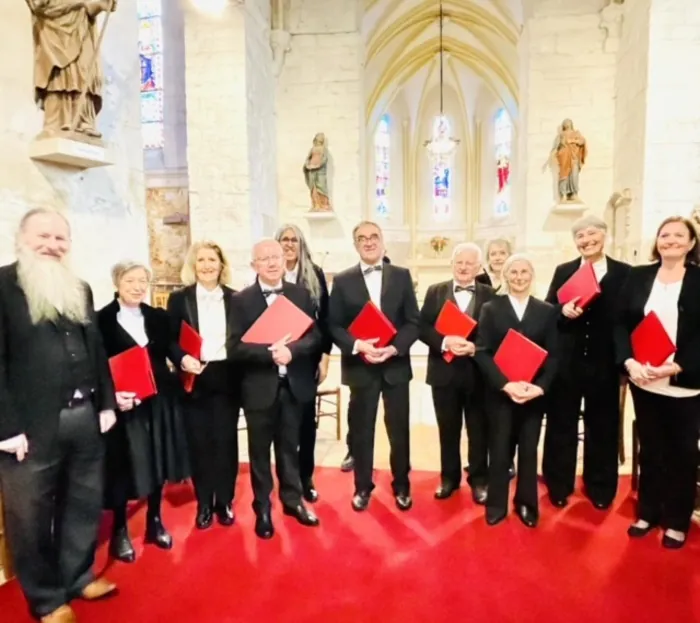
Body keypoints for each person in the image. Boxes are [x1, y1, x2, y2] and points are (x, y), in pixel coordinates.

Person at [0, 208, 117, 623]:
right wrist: (6, 428)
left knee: (84, 503)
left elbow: (96, 348)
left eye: (60, 238)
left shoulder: (79, 288)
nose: (52, 245)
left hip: (85, 415)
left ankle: (78, 575)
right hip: (29, 428)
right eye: (43, 236)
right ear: (21, 237)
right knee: (30, 517)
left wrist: (106, 401)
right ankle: (47, 599)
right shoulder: (2, 285)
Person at [615, 216, 700, 549]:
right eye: (665, 234)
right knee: (650, 448)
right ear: (657, 240)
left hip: (686, 382)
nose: (671, 240)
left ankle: (677, 520)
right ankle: (648, 512)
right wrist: (630, 362)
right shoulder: (639, 276)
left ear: (692, 243)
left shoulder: (698, 279)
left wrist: (676, 367)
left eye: (680, 235)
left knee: (681, 451)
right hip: (644, 379)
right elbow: (621, 324)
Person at [97, 261, 190, 563]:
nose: (137, 286)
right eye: (130, 280)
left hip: (160, 398)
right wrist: (111, 397)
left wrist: (185, 358)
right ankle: (120, 531)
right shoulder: (102, 320)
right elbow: (98, 366)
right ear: (117, 282)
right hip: (125, 404)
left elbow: (170, 348)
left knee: (157, 458)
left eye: (142, 281)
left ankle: (154, 521)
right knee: (124, 465)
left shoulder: (157, 317)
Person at [230, 239, 322, 538]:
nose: (271, 263)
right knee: (259, 453)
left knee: (289, 449)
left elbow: (315, 337)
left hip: (293, 386)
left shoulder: (300, 294)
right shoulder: (241, 300)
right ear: (254, 264)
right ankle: (263, 508)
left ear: (285, 260)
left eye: (276, 257)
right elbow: (235, 348)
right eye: (264, 258)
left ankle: (293, 501)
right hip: (259, 389)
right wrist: (269, 353)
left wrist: (292, 351)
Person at [328, 221, 420, 511]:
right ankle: (362, 487)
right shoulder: (342, 280)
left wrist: (394, 348)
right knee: (363, 431)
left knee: (399, 430)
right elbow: (333, 325)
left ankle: (402, 485)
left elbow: (413, 322)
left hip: (395, 367)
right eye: (361, 238)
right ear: (355, 245)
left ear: (383, 242)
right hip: (361, 367)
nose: (368, 242)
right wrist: (358, 345)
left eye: (373, 237)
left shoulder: (402, 276)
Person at [542, 215, 631, 510]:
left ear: (604, 236)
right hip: (567, 363)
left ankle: (601, 487)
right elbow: (547, 309)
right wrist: (561, 309)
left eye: (592, 234)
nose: (586, 240)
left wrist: (625, 363)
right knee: (560, 424)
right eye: (580, 235)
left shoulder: (625, 273)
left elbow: (630, 319)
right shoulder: (564, 270)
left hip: (605, 364)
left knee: (603, 427)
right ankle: (558, 484)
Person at [475, 254, 558, 528]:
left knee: (529, 450)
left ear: (531, 276)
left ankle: (526, 503)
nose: (519, 277)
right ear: (505, 276)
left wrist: (540, 387)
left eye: (524, 272)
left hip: (532, 394)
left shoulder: (546, 311)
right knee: (498, 450)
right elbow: (482, 351)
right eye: (514, 272)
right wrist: (504, 384)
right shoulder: (490, 308)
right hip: (501, 393)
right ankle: (496, 504)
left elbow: (554, 355)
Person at [167, 242, 241, 530]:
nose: (207, 265)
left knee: (225, 442)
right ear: (193, 265)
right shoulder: (179, 299)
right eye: (201, 260)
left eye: (213, 259)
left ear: (222, 265)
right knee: (200, 444)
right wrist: (182, 357)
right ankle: (204, 503)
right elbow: (169, 340)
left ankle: (224, 502)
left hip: (226, 375)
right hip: (193, 377)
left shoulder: (236, 299)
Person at [419, 242, 496, 504]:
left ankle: (479, 480)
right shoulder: (435, 291)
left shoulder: (490, 293)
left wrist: (476, 346)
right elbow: (422, 328)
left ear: (478, 267)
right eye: (459, 262)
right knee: (448, 430)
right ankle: (449, 479)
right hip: (444, 373)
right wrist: (444, 342)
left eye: (470, 263)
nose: (464, 268)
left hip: (478, 375)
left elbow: (496, 333)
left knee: (478, 431)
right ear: (452, 264)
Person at [275, 223, 331, 502]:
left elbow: (326, 319)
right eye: (283, 240)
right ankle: (287, 480)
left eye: (293, 240)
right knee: (281, 426)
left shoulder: (314, 274)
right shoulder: (267, 273)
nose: (288, 245)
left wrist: (325, 355)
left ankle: (306, 478)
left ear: (301, 245)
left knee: (306, 422)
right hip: (274, 359)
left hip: (306, 358)